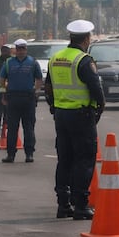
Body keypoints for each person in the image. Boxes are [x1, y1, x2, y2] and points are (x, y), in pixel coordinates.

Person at [45, 19, 104, 221]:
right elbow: (96, 88)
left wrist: (53, 106)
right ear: (86, 39)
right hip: (81, 116)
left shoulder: (55, 58)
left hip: (61, 115)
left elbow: (48, 87)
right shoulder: (84, 60)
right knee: (85, 160)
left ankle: (63, 204)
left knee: (65, 159)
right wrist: (100, 108)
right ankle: (80, 205)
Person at [0, 38, 43, 164]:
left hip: (28, 98)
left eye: (23, 49)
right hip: (13, 98)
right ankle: (10, 154)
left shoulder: (33, 62)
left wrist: (36, 91)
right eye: (18, 49)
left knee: (28, 127)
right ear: (15, 50)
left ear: (26, 49)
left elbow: (39, 79)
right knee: (12, 128)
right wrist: (4, 94)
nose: (21, 51)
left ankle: (29, 154)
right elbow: (1, 79)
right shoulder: (9, 63)